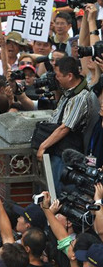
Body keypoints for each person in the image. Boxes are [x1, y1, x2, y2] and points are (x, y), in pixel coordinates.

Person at [36, 57, 97, 193]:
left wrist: (43, 146)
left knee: (56, 191)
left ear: (69, 76)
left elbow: (65, 127)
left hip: (65, 153)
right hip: (57, 149)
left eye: (58, 76)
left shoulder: (80, 96)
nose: (56, 79)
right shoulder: (68, 93)